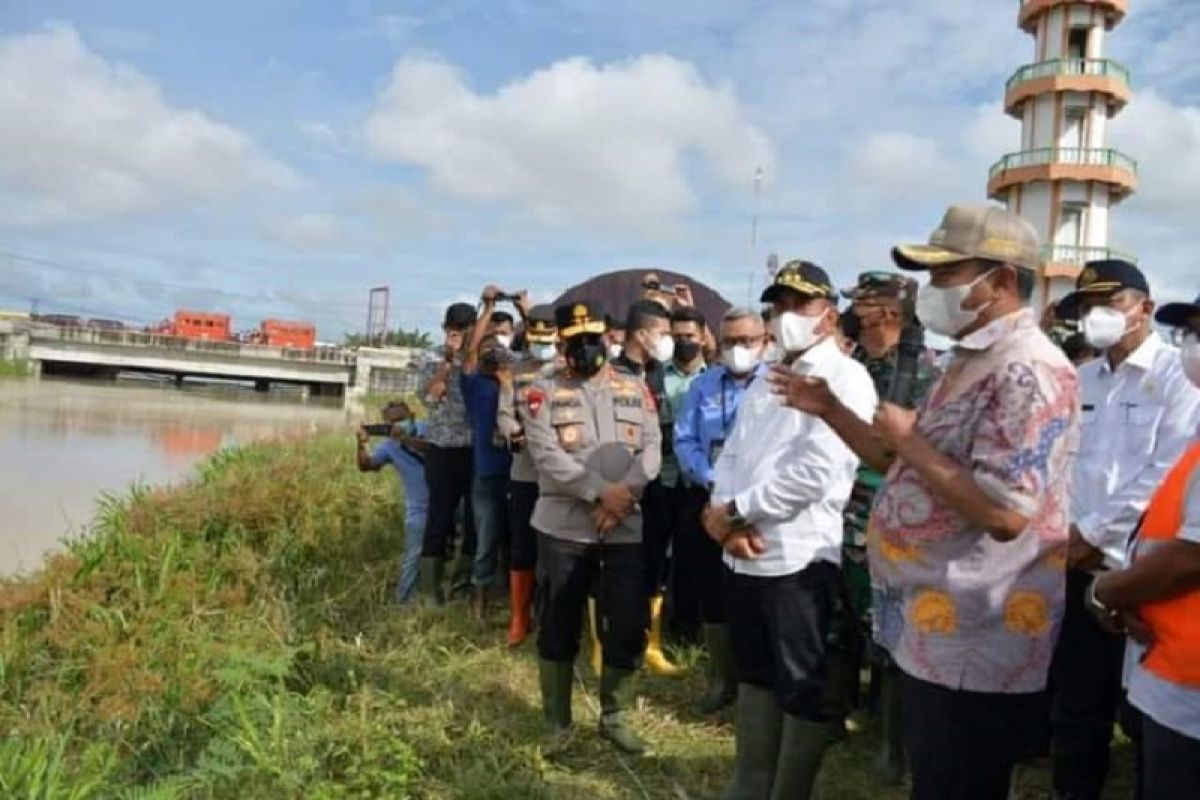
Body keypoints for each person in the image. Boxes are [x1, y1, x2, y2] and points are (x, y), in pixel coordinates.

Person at [773, 205, 1079, 800]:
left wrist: (909, 437)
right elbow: (897, 463)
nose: (932, 291)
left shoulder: (1028, 369)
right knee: (937, 778)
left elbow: (1006, 512)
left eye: (947, 275)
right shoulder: (968, 358)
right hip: (932, 622)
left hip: (978, 630)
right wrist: (831, 409)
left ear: (1002, 280)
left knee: (957, 782)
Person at [703, 261, 878, 800]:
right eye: (777, 306)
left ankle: (788, 791)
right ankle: (750, 782)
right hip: (744, 550)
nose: (785, 317)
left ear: (827, 315)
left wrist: (737, 511)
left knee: (800, 680)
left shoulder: (845, 377)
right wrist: (722, 518)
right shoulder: (768, 375)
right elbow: (733, 452)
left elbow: (819, 472)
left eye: (798, 306)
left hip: (798, 556)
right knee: (755, 671)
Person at [1049, 261, 1200, 800]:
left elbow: (1165, 472)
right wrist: (1067, 535)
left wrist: (1090, 531)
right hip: (1077, 564)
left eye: (1109, 304)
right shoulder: (1081, 378)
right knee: (1077, 700)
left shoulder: (1177, 378)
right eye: (1087, 307)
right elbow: (1061, 461)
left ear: (1146, 309)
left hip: (1139, 572)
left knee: (1145, 716)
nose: (1096, 317)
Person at [521, 300, 662, 756]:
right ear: (562, 344)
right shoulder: (540, 391)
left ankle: (615, 716)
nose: (586, 348)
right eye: (575, 341)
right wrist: (599, 491)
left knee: (626, 623)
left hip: (624, 527)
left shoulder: (634, 388)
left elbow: (653, 448)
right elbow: (546, 455)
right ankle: (558, 723)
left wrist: (624, 496)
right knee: (559, 624)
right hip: (565, 528)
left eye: (593, 339)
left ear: (608, 338)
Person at [1089, 293, 1200, 798]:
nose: (1194, 347)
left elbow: (1189, 558)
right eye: (1192, 333)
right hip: (1173, 668)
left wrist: (1110, 589)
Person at [836, 271, 938, 782]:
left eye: (866, 303)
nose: (856, 310)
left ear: (891, 312)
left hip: (894, 510)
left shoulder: (926, 368)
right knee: (849, 618)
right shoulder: (851, 365)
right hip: (843, 505)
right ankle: (849, 712)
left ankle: (894, 746)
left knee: (894, 627)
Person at [674, 306, 767, 715]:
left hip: (761, 504)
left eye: (747, 341)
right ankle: (719, 679)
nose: (739, 349)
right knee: (711, 590)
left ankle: (755, 682)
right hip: (709, 497)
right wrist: (713, 481)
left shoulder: (778, 387)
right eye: (730, 341)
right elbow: (684, 439)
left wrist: (743, 494)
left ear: (764, 343)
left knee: (754, 595)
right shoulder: (704, 385)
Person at [612, 299, 682, 676]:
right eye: (664, 333)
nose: (669, 340)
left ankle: (650, 643)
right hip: (618, 485)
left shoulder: (657, 374)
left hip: (657, 483)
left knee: (655, 562)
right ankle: (610, 644)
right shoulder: (611, 374)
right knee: (618, 567)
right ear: (642, 333)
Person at [496, 304, 559, 646]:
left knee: (556, 548)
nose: (542, 343)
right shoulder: (515, 371)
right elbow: (504, 414)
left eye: (547, 334)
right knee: (522, 547)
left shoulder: (569, 369)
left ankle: (553, 613)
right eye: (536, 335)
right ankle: (520, 617)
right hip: (525, 471)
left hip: (561, 475)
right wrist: (512, 431)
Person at [460, 286, 517, 620]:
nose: (493, 352)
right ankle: (479, 605)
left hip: (518, 472)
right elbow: (469, 351)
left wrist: (523, 311)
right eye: (487, 348)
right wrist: (489, 307)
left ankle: (513, 604)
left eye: (498, 347)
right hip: (487, 473)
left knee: (515, 542)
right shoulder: (473, 383)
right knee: (486, 541)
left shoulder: (511, 381)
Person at [419, 302, 478, 604]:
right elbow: (431, 396)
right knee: (439, 519)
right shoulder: (430, 356)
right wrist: (447, 362)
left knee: (472, 521)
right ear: (445, 330)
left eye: (463, 333)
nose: (457, 338)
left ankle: (461, 586)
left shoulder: (479, 358)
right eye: (452, 332)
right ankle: (429, 591)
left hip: (474, 449)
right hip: (443, 449)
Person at [661, 305, 708, 640]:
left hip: (698, 482)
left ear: (703, 337)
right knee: (655, 557)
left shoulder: (714, 380)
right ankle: (653, 628)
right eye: (676, 337)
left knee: (693, 559)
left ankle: (688, 628)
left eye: (689, 336)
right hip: (661, 478)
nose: (683, 343)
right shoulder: (655, 375)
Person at [356, 401, 429, 604]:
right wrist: (361, 444)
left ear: (412, 416)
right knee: (413, 557)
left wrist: (407, 440)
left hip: (449, 501)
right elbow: (367, 465)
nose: (398, 425)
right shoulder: (388, 445)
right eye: (392, 423)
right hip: (418, 509)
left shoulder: (427, 428)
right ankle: (404, 604)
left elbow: (433, 449)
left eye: (402, 420)